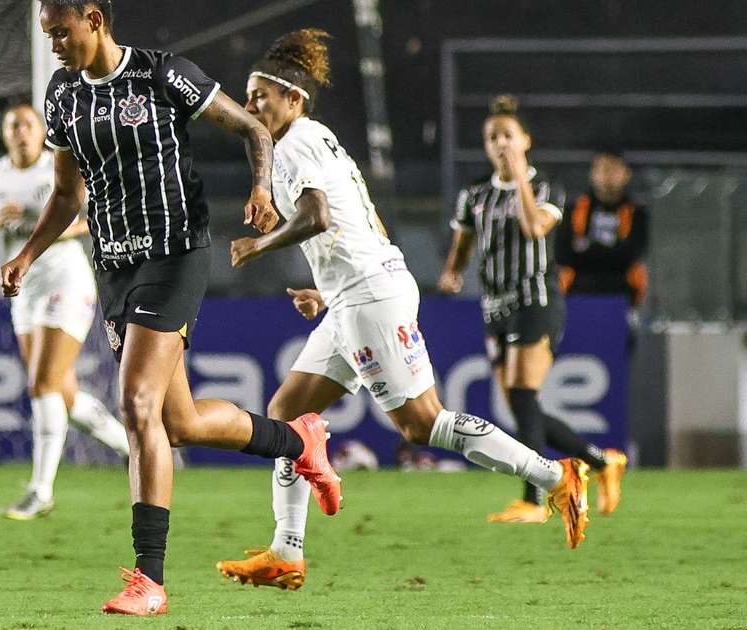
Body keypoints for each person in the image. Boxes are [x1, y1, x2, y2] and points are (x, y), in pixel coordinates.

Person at [215, 29, 593, 591]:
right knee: (287, 410)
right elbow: (360, 224)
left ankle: (555, 475)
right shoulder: (318, 138)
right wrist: (332, 287)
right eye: (247, 97)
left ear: (294, 100)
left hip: (369, 295)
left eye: (260, 97)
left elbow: (317, 216)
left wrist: (260, 245)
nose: (250, 108)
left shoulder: (294, 144)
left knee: (423, 423)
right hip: (358, 293)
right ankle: (286, 550)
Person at [0, 1, 341, 616]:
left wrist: (261, 187)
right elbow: (65, 193)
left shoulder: (162, 74)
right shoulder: (62, 94)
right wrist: (27, 254)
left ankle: (148, 580)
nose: (52, 43)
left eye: (60, 31)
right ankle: (298, 439)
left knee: (136, 405)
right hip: (114, 268)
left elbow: (253, 129)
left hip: (176, 255)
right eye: (46, 34)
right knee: (177, 421)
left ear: (94, 18)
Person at [438, 96, 627, 524]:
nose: (500, 143)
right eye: (492, 137)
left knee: (523, 397)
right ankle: (601, 462)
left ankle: (535, 499)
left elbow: (534, 226)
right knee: (525, 408)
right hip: (495, 307)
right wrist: (451, 273)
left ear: (525, 140)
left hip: (536, 300)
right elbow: (463, 243)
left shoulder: (545, 188)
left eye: (508, 135)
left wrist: (519, 177)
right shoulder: (475, 195)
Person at [0, 103, 132, 520]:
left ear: (41, 132)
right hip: (23, 289)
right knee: (63, 392)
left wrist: (48, 228)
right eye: (12, 126)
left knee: (42, 383)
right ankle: (133, 446)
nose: (21, 132)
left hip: (66, 278)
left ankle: (41, 491)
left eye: (28, 125)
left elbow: (95, 219)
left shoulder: (62, 169)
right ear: (5, 135)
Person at [556, 150, 649, 346]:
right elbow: (563, 254)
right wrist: (611, 253)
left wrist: (587, 251)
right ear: (593, 173)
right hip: (577, 294)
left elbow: (632, 254)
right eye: (603, 169)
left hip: (622, 296)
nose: (608, 176)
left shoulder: (637, 212)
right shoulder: (574, 209)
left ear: (626, 174)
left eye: (614, 169)